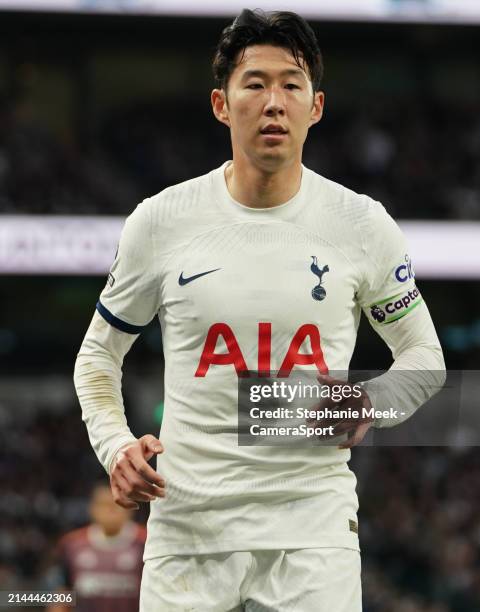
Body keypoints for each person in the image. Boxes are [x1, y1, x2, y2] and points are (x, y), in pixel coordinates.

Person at [74, 9, 445, 610]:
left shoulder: (362, 225)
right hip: (187, 536)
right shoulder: (160, 222)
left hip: (312, 537)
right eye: (255, 84)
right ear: (222, 104)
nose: (274, 102)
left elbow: (425, 359)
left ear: (315, 106)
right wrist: (117, 447)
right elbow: (97, 356)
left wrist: (368, 401)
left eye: (291, 85)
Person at [45, 483, 146, 612]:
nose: (111, 510)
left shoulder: (146, 542)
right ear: (92, 508)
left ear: (131, 507)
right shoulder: (71, 544)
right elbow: (63, 592)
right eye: (104, 504)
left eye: (117, 504)